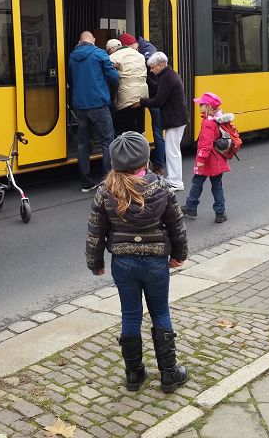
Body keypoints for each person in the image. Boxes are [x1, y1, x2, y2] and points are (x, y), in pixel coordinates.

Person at [85, 131, 189, 393]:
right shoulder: (162, 187)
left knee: (130, 316)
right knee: (161, 313)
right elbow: (177, 225)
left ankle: (134, 375)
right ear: (145, 160)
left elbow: (95, 231)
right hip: (155, 262)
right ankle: (169, 374)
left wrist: (95, 262)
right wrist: (179, 255)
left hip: (123, 264)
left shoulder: (105, 191)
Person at [68, 31, 119, 192]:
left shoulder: (72, 57)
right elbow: (114, 77)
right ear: (94, 40)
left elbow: (71, 79)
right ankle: (107, 181)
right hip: (98, 105)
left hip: (80, 106)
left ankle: (86, 182)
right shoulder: (99, 54)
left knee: (83, 144)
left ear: (79, 41)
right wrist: (115, 70)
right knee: (107, 141)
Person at [139, 52, 189, 192]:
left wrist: (143, 102)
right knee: (173, 150)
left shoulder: (167, 77)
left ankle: (176, 182)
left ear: (161, 65)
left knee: (172, 151)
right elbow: (161, 91)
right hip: (177, 118)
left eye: (152, 67)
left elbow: (159, 100)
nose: (151, 70)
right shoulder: (168, 75)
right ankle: (173, 178)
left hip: (175, 119)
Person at [180, 92, 231, 223]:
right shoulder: (216, 120)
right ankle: (220, 213)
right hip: (217, 160)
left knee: (197, 183)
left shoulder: (208, 123)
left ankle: (191, 207)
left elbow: (206, 143)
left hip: (207, 160)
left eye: (201, 104)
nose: (199, 106)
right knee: (217, 186)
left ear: (208, 107)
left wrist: (201, 160)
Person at [127, 34, 165, 174]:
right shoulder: (142, 49)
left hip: (152, 97)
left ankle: (159, 165)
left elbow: (150, 75)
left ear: (134, 43)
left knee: (157, 132)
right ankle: (143, 164)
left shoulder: (147, 50)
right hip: (144, 96)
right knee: (140, 130)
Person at [107, 37, 148, 135]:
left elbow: (111, 77)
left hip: (126, 97)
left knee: (121, 127)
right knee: (134, 125)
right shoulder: (139, 55)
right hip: (142, 96)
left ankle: (127, 148)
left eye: (108, 51)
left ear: (111, 49)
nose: (108, 53)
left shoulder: (113, 57)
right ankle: (140, 145)